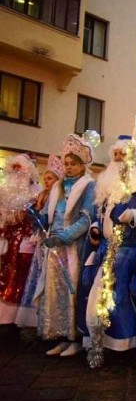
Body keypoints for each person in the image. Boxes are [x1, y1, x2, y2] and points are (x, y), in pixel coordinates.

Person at [85, 135, 136, 354]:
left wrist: (130, 215)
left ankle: (127, 341)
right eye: (115, 154)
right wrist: (96, 229)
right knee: (104, 295)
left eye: (122, 154)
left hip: (131, 247)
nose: (117, 158)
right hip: (108, 247)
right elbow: (103, 213)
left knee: (122, 296)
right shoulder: (109, 183)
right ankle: (108, 340)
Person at [36, 134, 96, 357]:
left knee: (74, 290)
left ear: (82, 165)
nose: (69, 168)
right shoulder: (58, 187)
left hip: (74, 247)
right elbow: (47, 215)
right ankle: (60, 335)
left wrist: (66, 236)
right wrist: (39, 219)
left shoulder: (88, 186)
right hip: (54, 246)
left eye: (73, 164)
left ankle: (76, 338)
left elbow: (87, 217)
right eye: (66, 164)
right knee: (55, 290)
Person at [15, 155, 64, 328]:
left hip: (51, 239)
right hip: (41, 240)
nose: (47, 181)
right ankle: (32, 316)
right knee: (37, 272)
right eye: (45, 178)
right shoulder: (42, 195)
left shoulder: (58, 196)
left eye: (50, 178)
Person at [0, 153, 40, 335]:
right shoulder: (4, 192)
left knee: (21, 279)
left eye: (20, 169)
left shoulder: (35, 192)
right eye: (14, 168)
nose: (16, 173)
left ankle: (16, 319)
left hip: (25, 242)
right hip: (6, 242)